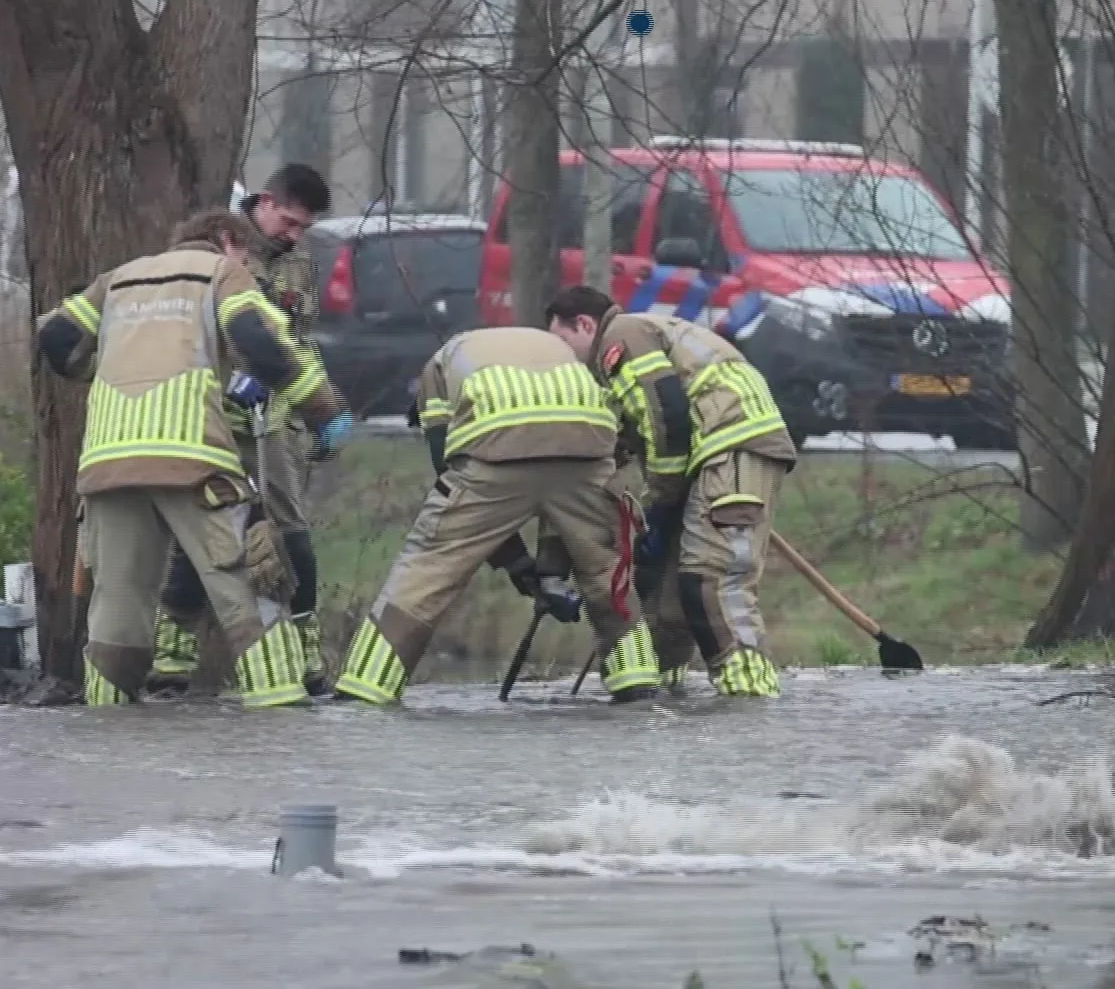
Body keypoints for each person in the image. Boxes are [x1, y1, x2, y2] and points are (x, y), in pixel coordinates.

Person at [36, 207, 348, 707]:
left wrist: (97, 372)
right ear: (227, 240)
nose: (249, 263)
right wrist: (322, 411)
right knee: (249, 579)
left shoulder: (117, 281)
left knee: (118, 599)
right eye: (246, 253)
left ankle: (108, 720)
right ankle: (281, 705)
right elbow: (261, 343)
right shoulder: (223, 273)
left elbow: (55, 337)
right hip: (192, 455)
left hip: (108, 460)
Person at [331, 326, 663, 706]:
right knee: (607, 572)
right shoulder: (555, 348)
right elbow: (560, 491)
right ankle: (638, 682)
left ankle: (364, 688)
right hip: (588, 453)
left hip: (494, 453)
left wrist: (516, 564)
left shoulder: (434, 371)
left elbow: (448, 468)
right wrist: (546, 570)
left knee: (427, 569)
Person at [544, 285, 794, 697]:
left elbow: (667, 416)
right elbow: (621, 446)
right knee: (668, 594)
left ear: (585, 325)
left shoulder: (621, 336)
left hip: (731, 444)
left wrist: (661, 503)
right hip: (709, 456)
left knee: (712, 577)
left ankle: (750, 695)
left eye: (563, 342)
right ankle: (665, 694)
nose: (562, 357)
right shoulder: (616, 367)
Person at [151, 164, 345, 695]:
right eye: (288, 220)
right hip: (211, 415)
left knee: (288, 530)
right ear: (262, 203)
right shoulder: (218, 250)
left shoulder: (299, 264)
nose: (294, 234)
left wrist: (323, 411)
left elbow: (299, 339)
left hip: (275, 415)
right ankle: (174, 653)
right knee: (204, 529)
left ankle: (305, 650)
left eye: (304, 227)